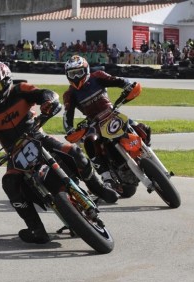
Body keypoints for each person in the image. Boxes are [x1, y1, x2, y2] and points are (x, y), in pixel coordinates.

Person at [0, 60, 118, 245]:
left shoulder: (21, 89)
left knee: (74, 151)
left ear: (8, 80)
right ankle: (37, 229)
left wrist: (49, 102)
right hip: (14, 154)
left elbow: (44, 94)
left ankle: (99, 187)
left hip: (38, 137)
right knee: (8, 183)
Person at [62, 55, 151, 192]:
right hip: (94, 123)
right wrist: (69, 130)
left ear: (86, 70)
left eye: (78, 73)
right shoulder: (70, 94)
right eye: (72, 74)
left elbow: (118, 81)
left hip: (112, 114)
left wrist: (128, 85)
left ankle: (147, 153)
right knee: (89, 142)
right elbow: (68, 114)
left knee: (142, 127)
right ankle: (107, 177)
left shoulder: (98, 76)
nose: (76, 77)